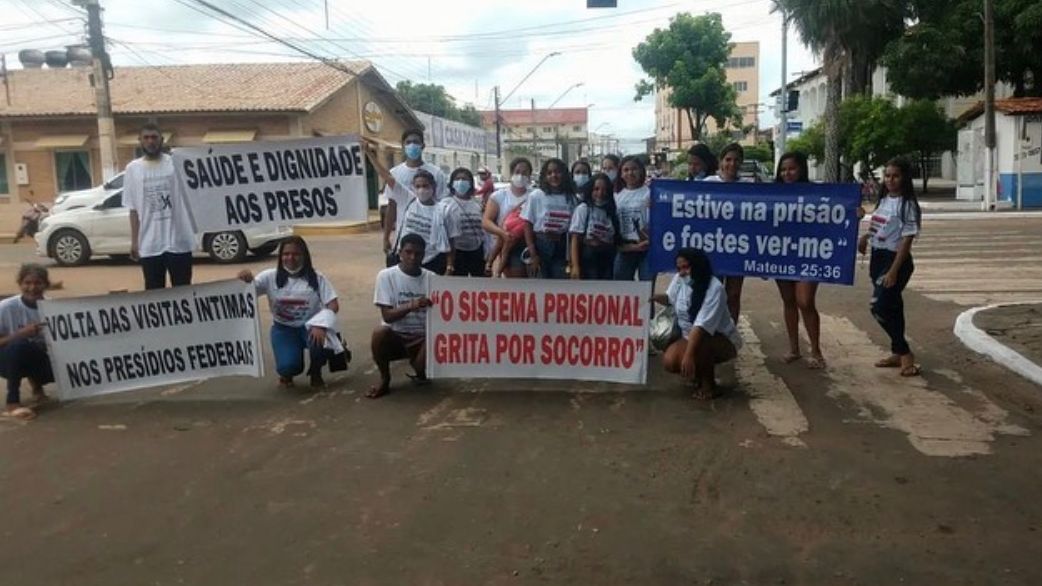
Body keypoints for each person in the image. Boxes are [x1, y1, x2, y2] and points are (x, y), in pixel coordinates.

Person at [238, 237, 339, 388]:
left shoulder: (317, 278)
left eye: (296, 254)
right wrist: (244, 278)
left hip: (311, 327)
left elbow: (333, 304)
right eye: (286, 254)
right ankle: (287, 374)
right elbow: (246, 292)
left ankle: (316, 372)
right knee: (289, 367)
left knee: (320, 343)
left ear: (304, 255)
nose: (290, 258)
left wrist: (321, 325)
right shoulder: (269, 277)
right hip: (283, 329)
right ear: (280, 257)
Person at [859, 157, 922, 377]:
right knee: (893, 306)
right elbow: (882, 227)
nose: (891, 180)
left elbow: (906, 240)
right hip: (877, 257)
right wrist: (866, 237)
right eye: (887, 176)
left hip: (895, 260)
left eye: (895, 176)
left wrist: (894, 270)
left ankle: (905, 353)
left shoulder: (908, 205)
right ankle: (897, 351)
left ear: (904, 178)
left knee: (879, 306)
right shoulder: (884, 200)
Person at [654, 249, 741, 399]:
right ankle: (697, 374)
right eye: (679, 268)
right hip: (689, 335)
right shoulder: (680, 279)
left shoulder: (715, 288)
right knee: (670, 361)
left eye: (686, 267)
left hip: (718, 339)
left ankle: (709, 386)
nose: (682, 272)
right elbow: (669, 298)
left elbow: (701, 327)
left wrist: (688, 356)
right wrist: (651, 297)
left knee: (700, 341)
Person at [126, 123, 196, 290]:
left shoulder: (176, 164)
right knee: (154, 295)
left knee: (183, 292)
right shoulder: (132, 169)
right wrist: (135, 242)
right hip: (150, 245)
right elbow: (133, 209)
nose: (151, 141)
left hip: (179, 243)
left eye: (154, 137)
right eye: (146, 138)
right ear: (140, 141)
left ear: (162, 140)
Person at [363, 139, 449, 273]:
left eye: (425, 186)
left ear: (433, 187)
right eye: (418, 186)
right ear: (413, 188)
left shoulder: (442, 209)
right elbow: (386, 176)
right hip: (406, 258)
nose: (421, 190)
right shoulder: (408, 199)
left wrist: (449, 265)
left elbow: (450, 239)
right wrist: (369, 153)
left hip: (431, 260)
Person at [773, 152, 825, 369]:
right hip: (780, 254)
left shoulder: (815, 193)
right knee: (788, 301)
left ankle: (816, 350)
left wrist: (854, 212)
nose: (787, 173)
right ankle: (794, 349)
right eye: (783, 169)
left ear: (801, 169)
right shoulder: (772, 194)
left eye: (792, 168)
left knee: (805, 301)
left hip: (808, 254)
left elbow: (834, 214)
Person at [370, 233, 433, 398]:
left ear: (424, 255)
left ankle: (420, 368)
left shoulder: (432, 278)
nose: (413, 257)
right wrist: (412, 305)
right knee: (379, 333)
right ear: (400, 252)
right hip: (396, 335)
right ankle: (385, 378)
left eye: (418, 254)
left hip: (423, 336)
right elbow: (387, 316)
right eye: (408, 252)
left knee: (422, 368)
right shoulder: (386, 276)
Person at [381, 129, 448, 259]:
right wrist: (386, 237)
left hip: (431, 244)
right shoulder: (395, 173)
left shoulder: (436, 173)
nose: (412, 146)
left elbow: (443, 207)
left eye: (416, 142)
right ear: (403, 146)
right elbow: (392, 207)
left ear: (423, 146)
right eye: (408, 142)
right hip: (405, 241)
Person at [0, 264, 54, 420]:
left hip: (38, 359)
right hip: (7, 361)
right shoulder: (6, 308)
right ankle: (12, 402)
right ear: (20, 284)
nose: (32, 288)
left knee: (33, 349)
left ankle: (37, 386)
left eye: (38, 283)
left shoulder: (53, 308)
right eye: (27, 283)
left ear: (46, 285)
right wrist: (20, 334)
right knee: (19, 346)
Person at [705, 142, 748, 321]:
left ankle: (730, 337)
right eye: (728, 159)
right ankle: (710, 335)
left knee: (734, 295)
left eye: (736, 160)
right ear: (721, 162)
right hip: (712, 248)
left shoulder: (749, 187)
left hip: (738, 249)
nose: (732, 163)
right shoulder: (708, 183)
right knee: (712, 294)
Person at [522, 158, 578, 279]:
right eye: (549, 173)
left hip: (562, 247)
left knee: (559, 286)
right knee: (540, 286)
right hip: (540, 245)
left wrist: (572, 260)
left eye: (557, 172)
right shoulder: (536, 195)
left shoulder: (572, 198)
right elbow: (527, 225)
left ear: (564, 174)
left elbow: (574, 231)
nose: (554, 175)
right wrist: (533, 253)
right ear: (544, 176)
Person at [483, 157, 533, 278]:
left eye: (524, 173)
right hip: (505, 239)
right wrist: (502, 233)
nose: (520, 176)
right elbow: (486, 221)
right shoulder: (499, 196)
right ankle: (492, 266)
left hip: (527, 244)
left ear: (530, 176)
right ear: (511, 174)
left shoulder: (534, 195)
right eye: (517, 172)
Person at [569, 173, 619, 280]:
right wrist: (575, 266)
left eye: (604, 189)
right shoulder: (583, 209)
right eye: (596, 189)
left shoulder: (611, 211)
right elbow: (575, 239)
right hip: (588, 259)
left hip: (607, 259)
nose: (600, 193)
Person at [439, 168, 486, 276]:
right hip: (456, 252)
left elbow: (484, 229)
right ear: (452, 183)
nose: (461, 181)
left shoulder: (478, 204)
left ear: (470, 183)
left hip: (476, 251)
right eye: (457, 179)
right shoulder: (445, 204)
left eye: (464, 179)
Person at [613, 155, 652, 282]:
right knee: (621, 284)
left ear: (641, 171)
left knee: (647, 285)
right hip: (625, 248)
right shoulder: (616, 196)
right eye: (626, 170)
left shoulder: (651, 192)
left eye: (634, 169)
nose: (630, 173)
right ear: (621, 174)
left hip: (647, 248)